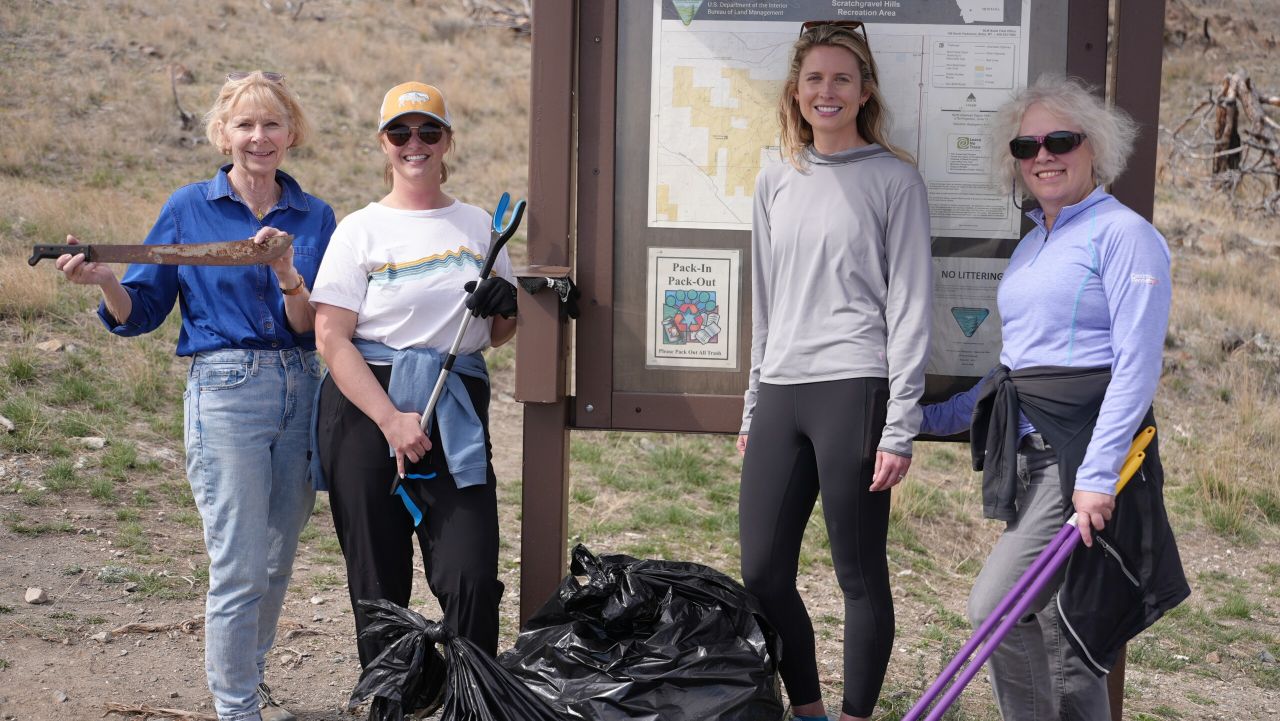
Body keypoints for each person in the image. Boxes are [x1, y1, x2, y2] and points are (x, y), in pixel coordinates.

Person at [54, 71, 335, 721]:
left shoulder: (315, 216)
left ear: (291, 134)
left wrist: (289, 273)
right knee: (238, 560)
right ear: (222, 133)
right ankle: (236, 707)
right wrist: (105, 281)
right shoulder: (188, 208)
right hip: (226, 390)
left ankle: (251, 679)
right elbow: (143, 309)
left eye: (271, 124)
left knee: (275, 557)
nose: (258, 137)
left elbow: (312, 327)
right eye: (244, 124)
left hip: (301, 385)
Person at [919, 75, 1189, 720]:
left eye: (1060, 140)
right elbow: (1016, 368)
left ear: (1094, 147)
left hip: (1081, 460)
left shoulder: (1125, 235)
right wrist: (930, 417)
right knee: (1059, 635)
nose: (1043, 155)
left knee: (996, 609)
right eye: (1026, 145)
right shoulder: (1039, 239)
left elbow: (1136, 364)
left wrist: (1097, 479)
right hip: (1032, 456)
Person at [737, 21, 933, 721]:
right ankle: (810, 709)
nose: (828, 91)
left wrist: (901, 424)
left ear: (865, 91)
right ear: (796, 92)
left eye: (842, 79)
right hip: (783, 390)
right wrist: (753, 404)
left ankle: (855, 714)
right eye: (815, 79)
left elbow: (911, 305)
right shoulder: (774, 175)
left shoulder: (895, 179)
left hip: (854, 387)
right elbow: (765, 296)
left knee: (857, 572)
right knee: (760, 569)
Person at [310, 81, 516, 679]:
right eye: (400, 132)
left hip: (453, 405)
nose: (414, 144)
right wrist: (390, 421)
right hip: (365, 409)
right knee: (377, 577)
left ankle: (472, 695)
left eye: (429, 131)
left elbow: (497, 334)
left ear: (448, 140)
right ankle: (395, 696)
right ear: (383, 144)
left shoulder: (479, 226)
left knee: (471, 572)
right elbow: (331, 337)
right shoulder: (359, 230)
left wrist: (505, 309)